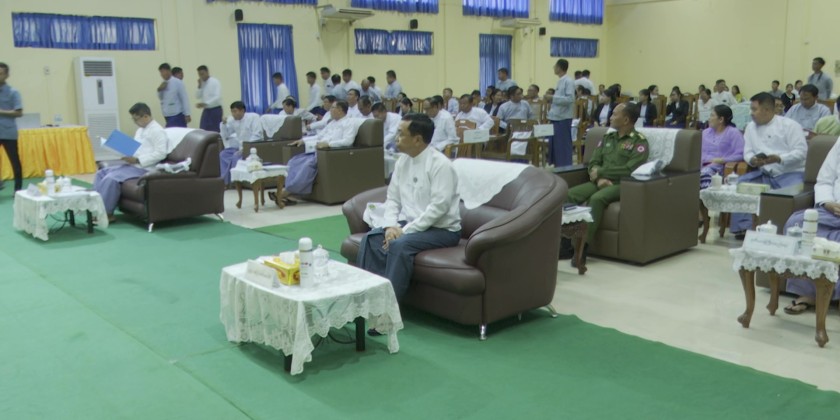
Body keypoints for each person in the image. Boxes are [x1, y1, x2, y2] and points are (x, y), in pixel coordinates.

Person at [356, 113, 461, 302]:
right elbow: (393, 199)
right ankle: (367, 299)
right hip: (412, 225)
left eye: (401, 134)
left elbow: (439, 208)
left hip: (442, 230)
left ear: (417, 139)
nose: (396, 138)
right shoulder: (402, 161)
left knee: (399, 244)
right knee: (371, 239)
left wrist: (404, 231)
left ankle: (388, 308)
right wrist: (390, 226)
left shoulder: (440, 165)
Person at [563, 103, 649, 263]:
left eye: (615, 114)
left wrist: (602, 173)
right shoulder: (608, 138)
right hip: (599, 181)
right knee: (569, 195)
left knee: (597, 198)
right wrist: (598, 178)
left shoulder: (639, 142)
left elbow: (630, 169)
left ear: (626, 120)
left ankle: (582, 248)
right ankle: (566, 243)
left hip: (621, 184)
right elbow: (594, 162)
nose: (610, 117)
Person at [729, 92, 807, 238]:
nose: (751, 113)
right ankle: (743, 228)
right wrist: (753, 160)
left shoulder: (790, 126)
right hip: (764, 173)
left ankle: (784, 230)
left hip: (790, 173)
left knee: (792, 194)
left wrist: (779, 158)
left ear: (767, 110)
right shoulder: (750, 127)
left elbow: (801, 153)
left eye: (754, 109)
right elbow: (748, 151)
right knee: (741, 185)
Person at [782, 139, 840, 314]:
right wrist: (827, 202)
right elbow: (824, 180)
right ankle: (808, 293)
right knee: (797, 225)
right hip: (832, 210)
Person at [94, 103, 168, 222]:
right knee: (101, 173)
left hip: (145, 168)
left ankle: (107, 213)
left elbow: (161, 153)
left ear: (145, 116)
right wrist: (124, 153)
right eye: (133, 119)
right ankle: (95, 208)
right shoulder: (140, 130)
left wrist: (138, 159)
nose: (135, 122)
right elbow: (136, 149)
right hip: (133, 165)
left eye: (136, 119)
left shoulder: (157, 131)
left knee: (111, 178)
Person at [278, 101, 361, 199]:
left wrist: (329, 144)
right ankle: (288, 189)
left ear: (340, 110)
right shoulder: (332, 123)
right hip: (318, 151)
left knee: (306, 165)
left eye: (332, 108)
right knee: (294, 161)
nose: (330, 110)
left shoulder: (349, 123)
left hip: (331, 153)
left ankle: (287, 192)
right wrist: (303, 140)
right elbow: (319, 136)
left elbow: (348, 141)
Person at [700, 105, 745, 189]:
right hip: (701, 166)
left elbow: (740, 154)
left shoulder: (733, 133)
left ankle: (704, 194)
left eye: (712, 115)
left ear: (721, 119)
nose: (709, 118)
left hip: (719, 168)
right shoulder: (705, 133)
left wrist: (723, 160)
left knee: (705, 174)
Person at [219, 101, 262, 186]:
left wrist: (246, 147)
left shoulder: (253, 117)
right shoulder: (232, 120)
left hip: (251, 146)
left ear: (242, 111)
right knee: (223, 154)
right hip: (239, 147)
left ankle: (235, 182)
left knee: (236, 156)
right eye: (232, 112)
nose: (233, 114)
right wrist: (224, 124)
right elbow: (226, 135)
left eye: (235, 111)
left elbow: (257, 135)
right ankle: (224, 182)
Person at [547, 58, 576, 166]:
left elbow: (570, 99)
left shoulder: (568, 81)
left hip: (563, 118)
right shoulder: (560, 80)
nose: (554, 68)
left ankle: (565, 167)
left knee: (562, 145)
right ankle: (557, 166)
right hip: (556, 117)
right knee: (556, 146)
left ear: (559, 67)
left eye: (555, 66)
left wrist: (552, 97)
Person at [0, 62, 23, 191]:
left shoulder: (13, 92)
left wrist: (1, 112)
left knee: (15, 162)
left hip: (8, 133)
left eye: (0, 73)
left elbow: (19, 112)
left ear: (7, 75)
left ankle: (18, 190)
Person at [156, 63, 190, 127]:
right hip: (166, 114)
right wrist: (159, 90)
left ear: (169, 71)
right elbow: (160, 98)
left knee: (174, 131)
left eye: (163, 71)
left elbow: (184, 98)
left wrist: (187, 114)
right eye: (161, 72)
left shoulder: (177, 82)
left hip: (177, 114)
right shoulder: (163, 84)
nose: (162, 74)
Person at [195, 65, 223, 132]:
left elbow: (217, 96)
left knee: (215, 130)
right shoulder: (202, 83)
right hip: (206, 110)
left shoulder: (215, 81)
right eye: (199, 74)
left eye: (202, 74)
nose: (201, 76)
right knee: (203, 129)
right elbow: (197, 96)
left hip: (215, 109)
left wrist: (205, 103)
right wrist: (199, 86)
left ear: (207, 72)